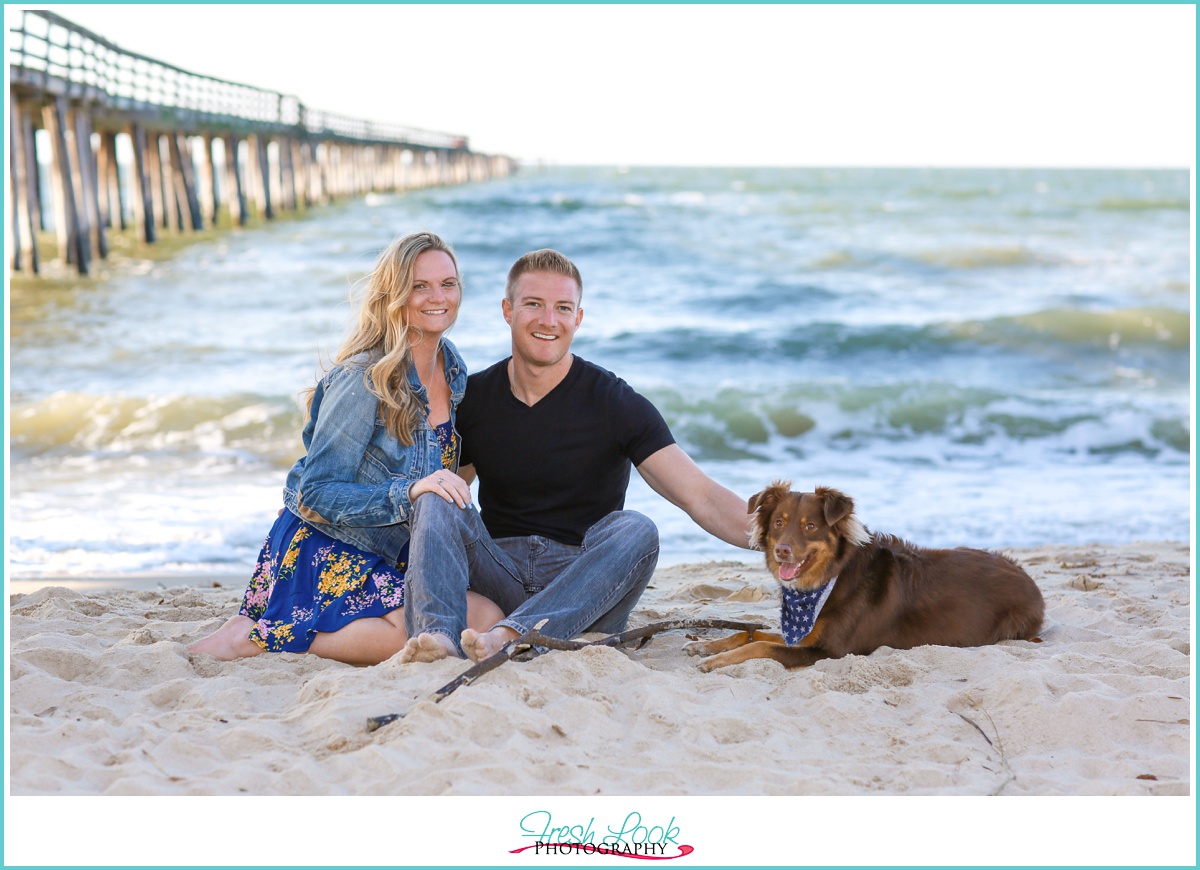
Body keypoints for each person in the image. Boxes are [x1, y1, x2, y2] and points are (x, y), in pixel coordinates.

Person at [396, 248, 753, 665]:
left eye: (563, 308)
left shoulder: (614, 402)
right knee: (437, 493)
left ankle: (512, 634)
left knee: (636, 528)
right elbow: (446, 508)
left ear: (577, 319)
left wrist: (788, 543)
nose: (549, 320)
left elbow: (701, 496)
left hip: (587, 585)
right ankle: (436, 638)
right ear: (508, 310)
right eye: (534, 304)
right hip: (500, 575)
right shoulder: (474, 400)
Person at [188, 231, 503, 664]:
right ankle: (262, 638)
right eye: (420, 285)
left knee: (486, 616)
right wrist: (407, 494)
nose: (438, 297)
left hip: (395, 550)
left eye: (448, 284)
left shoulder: (452, 369)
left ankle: (260, 627)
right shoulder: (363, 378)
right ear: (395, 294)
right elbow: (314, 491)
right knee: (413, 635)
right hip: (330, 543)